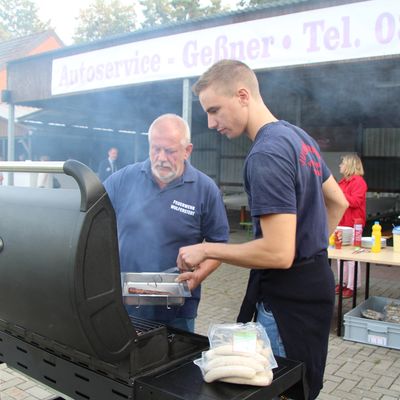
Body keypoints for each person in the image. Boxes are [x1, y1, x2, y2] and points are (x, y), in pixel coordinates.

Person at [176, 60, 348, 399]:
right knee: (301, 384)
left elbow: (277, 253)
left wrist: (208, 248)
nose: (211, 123)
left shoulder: (266, 154)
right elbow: (338, 201)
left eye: (214, 110)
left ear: (242, 95)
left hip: (286, 301)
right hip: (315, 287)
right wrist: (308, 247)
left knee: (276, 389)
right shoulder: (299, 138)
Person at [104, 114, 229, 332]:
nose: (161, 158)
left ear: (187, 150)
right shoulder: (123, 180)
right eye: (155, 149)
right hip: (125, 303)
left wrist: (199, 275)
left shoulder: (205, 189)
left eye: (169, 151)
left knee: (175, 365)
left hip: (177, 310)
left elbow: (219, 244)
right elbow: (91, 220)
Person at [336, 154, 368, 299]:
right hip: (341, 223)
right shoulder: (342, 182)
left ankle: (352, 286)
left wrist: (339, 195)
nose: (339, 166)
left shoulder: (359, 182)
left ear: (349, 165)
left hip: (354, 224)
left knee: (352, 257)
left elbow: (355, 202)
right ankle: (343, 283)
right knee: (339, 256)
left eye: (342, 163)